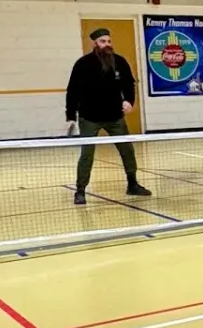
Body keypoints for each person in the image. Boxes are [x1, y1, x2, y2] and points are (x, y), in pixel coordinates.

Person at [65, 28, 152, 205]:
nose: (107, 45)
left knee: (127, 150)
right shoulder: (83, 64)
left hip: (115, 117)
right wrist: (71, 115)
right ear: (95, 43)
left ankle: (132, 184)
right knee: (87, 155)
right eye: (103, 41)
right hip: (89, 117)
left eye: (109, 41)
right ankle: (80, 191)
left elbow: (129, 84)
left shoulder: (120, 62)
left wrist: (129, 100)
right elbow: (73, 90)